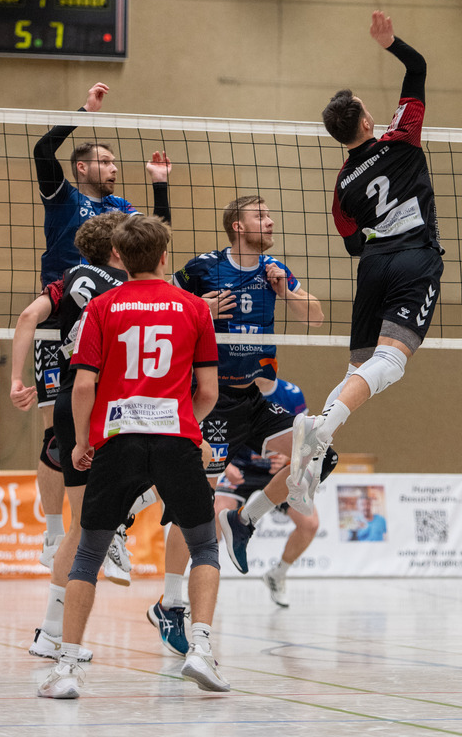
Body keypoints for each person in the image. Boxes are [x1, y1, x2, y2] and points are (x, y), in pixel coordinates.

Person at [37, 215, 229, 699]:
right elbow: (208, 391)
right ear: (165, 256)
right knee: (205, 546)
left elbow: (83, 385)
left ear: (119, 257)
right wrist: (185, 421)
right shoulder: (193, 308)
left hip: (117, 439)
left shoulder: (101, 306)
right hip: (175, 439)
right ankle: (201, 650)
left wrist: (82, 442)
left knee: (88, 554)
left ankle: (65, 670)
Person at [145, 196, 325, 651]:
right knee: (195, 505)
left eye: (269, 213)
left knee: (318, 450)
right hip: (212, 398)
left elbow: (317, 317)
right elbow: (159, 302)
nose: (270, 221)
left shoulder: (274, 269)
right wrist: (196, 305)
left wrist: (288, 291)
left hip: (256, 397)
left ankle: (245, 521)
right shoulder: (204, 267)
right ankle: (169, 603)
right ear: (237, 226)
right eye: (261, 215)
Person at [287, 11, 444, 507]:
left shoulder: (342, 186)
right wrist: (390, 41)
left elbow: (354, 243)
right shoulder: (400, 139)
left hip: (372, 266)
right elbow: (416, 67)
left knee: (361, 370)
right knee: (391, 364)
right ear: (366, 120)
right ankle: (320, 427)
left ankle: (315, 455)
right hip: (415, 256)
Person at [31, 80, 171, 567]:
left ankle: (113, 521)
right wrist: (84, 110)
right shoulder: (63, 197)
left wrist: (158, 184)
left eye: (115, 163)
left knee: (120, 427)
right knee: (57, 434)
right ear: (83, 167)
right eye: (106, 162)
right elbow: (42, 148)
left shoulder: (121, 209)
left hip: (114, 322)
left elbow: (155, 239)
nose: (113, 169)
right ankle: (54, 535)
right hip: (60, 318)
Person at [11, 213, 135, 661]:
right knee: (174, 468)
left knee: (84, 526)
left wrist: (16, 379)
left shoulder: (71, 276)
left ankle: (50, 633)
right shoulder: (126, 290)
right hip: (108, 402)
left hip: (68, 398)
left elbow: (28, 316)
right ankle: (123, 521)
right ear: (119, 250)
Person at [215, 377, 337, 609]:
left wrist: (288, 457)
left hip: (276, 470)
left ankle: (278, 574)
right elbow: (218, 429)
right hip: (240, 466)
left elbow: (304, 440)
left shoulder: (291, 393)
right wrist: (225, 465)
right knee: (218, 512)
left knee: (309, 523)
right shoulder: (233, 388)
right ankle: (204, 580)